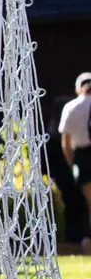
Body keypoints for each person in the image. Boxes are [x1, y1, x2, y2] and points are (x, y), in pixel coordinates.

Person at [52, 72, 91, 253]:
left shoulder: (72, 107)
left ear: (78, 88)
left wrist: (71, 161)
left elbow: (65, 141)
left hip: (83, 156)